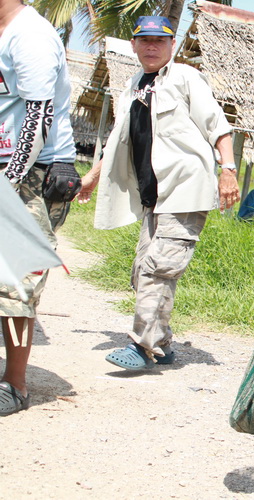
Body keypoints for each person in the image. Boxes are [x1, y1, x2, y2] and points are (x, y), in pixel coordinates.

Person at [77, 16, 240, 371]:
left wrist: (228, 170)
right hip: (155, 196)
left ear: (171, 45)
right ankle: (163, 343)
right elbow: (118, 139)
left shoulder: (185, 77)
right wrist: (91, 175)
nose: (152, 46)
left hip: (184, 190)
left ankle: (141, 346)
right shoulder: (134, 85)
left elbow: (217, 125)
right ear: (133, 45)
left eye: (160, 41)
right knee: (144, 270)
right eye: (145, 40)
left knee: (158, 268)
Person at [0, 0, 77, 416]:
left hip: (31, 172)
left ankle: (15, 384)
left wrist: (9, 183)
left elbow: (38, 118)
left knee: (16, 282)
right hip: (7, 168)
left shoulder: (29, 36)